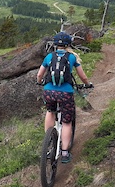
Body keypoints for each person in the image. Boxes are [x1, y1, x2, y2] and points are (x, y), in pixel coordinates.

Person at [36, 32, 92, 164]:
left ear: (55, 44)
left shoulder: (49, 56)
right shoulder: (72, 57)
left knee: (50, 112)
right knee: (66, 122)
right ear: (69, 44)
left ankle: (49, 141)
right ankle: (65, 152)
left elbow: (39, 74)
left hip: (49, 91)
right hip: (66, 93)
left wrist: (39, 82)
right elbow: (83, 76)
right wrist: (87, 84)